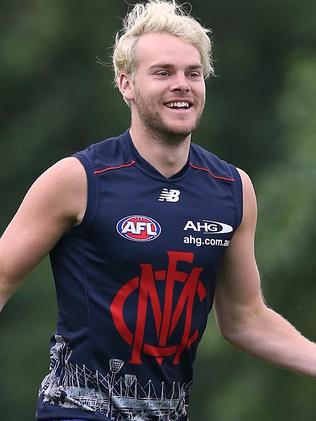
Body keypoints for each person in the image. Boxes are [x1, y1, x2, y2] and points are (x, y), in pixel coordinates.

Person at [0, 1, 315, 420]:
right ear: (126, 84)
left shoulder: (233, 189)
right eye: (163, 73)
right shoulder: (77, 178)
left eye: (193, 73)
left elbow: (245, 319)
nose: (182, 84)